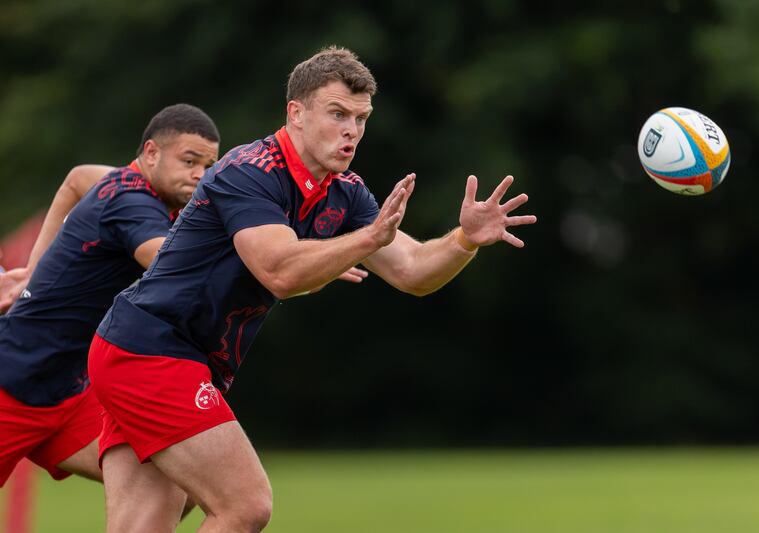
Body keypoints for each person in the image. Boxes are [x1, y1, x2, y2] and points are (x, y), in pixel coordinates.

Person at [88, 45, 537, 532]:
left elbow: (412, 270)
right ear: (296, 114)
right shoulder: (249, 171)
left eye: (361, 119)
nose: (351, 131)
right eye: (338, 114)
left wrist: (465, 238)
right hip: (150, 350)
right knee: (245, 505)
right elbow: (279, 270)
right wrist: (364, 239)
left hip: (162, 355)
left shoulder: (345, 191)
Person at [0, 103, 220, 520]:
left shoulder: (126, 182)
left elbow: (76, 178)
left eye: (208, 165)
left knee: (177, 480)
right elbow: (169, 264)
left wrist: (33, 266)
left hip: (68, 397)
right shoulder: (134, 203)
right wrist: (273, 257)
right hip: (10, 387)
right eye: (189, 161)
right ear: (151, 153)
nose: (199, 175)